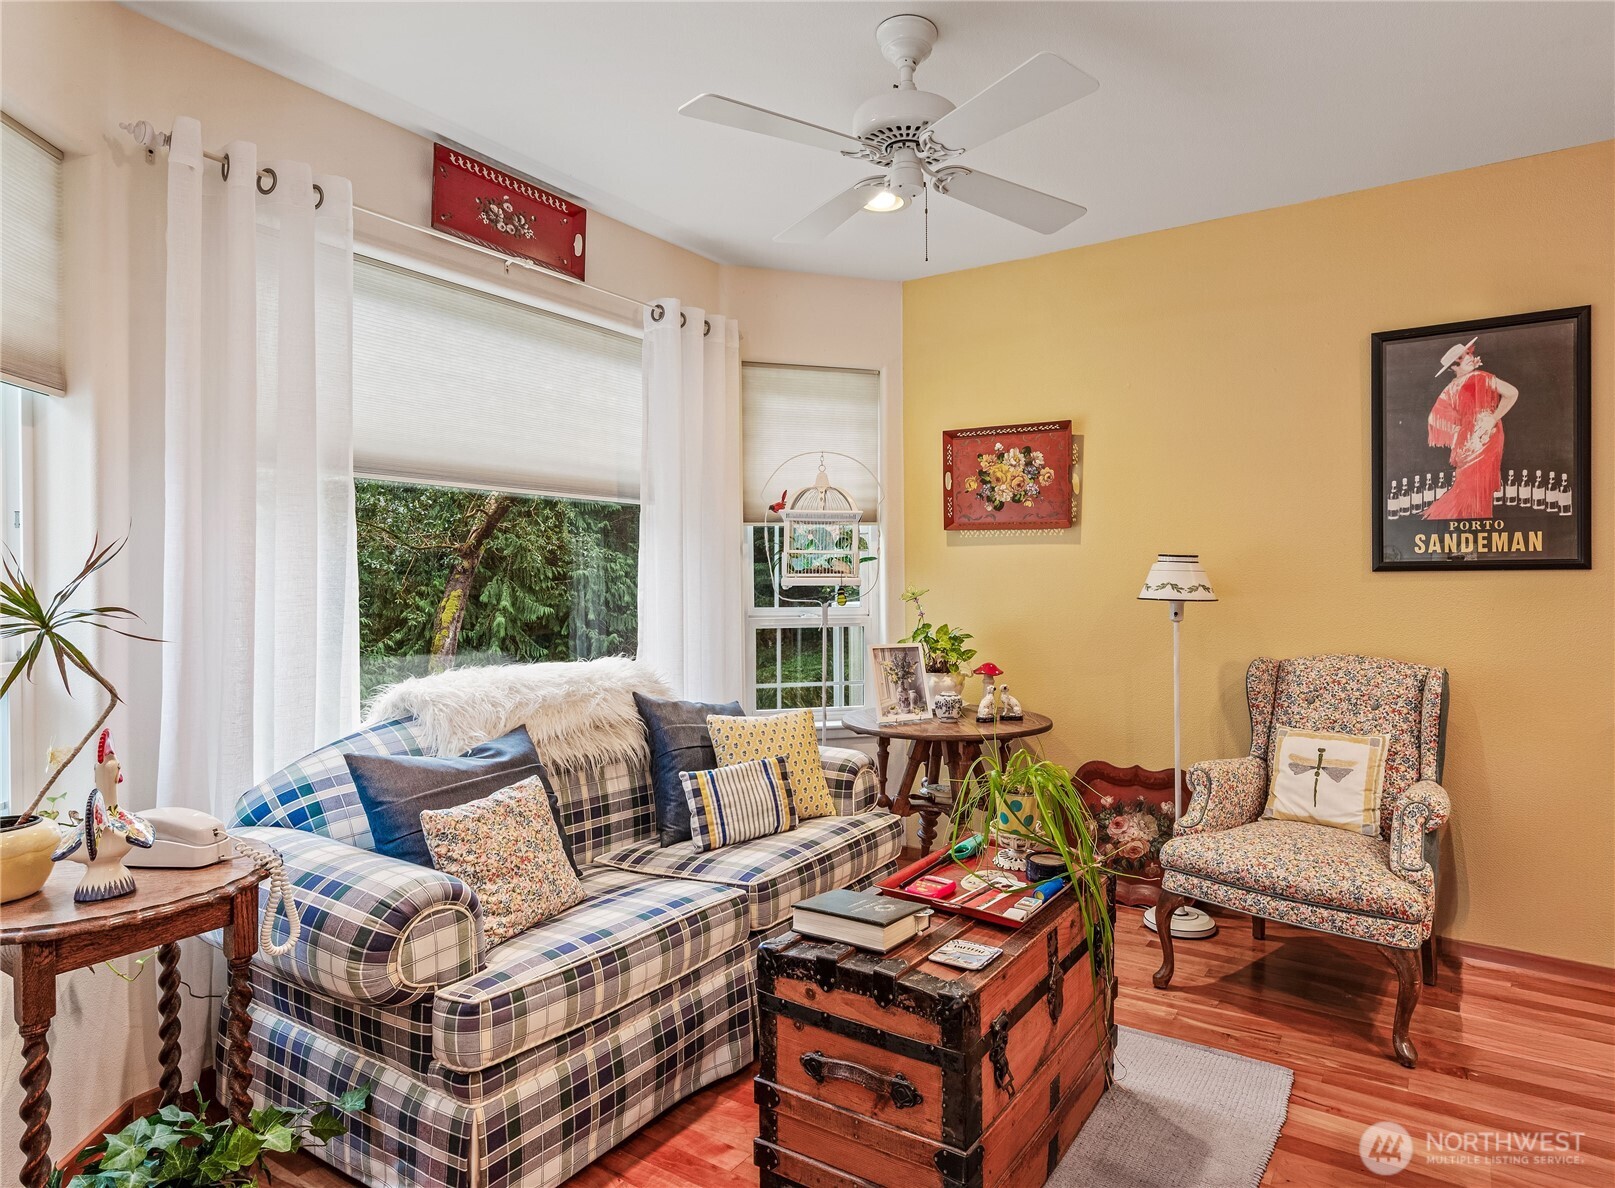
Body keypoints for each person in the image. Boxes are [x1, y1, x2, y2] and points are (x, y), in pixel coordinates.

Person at [1423, 337, 1518, 520]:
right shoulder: (1476, 378)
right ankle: (1472, 528)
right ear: (1453, 367)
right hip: (1480, 438)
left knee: (1474, 486)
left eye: (1468, 353)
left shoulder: (1458, 385)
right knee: (1475, 486)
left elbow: (1512, 393)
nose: (1468, 357)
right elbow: (1512, 393)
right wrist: (1490, 418)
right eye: (1461, 358)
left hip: (1477, 440)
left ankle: (1469, 530)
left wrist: (1489, 418)